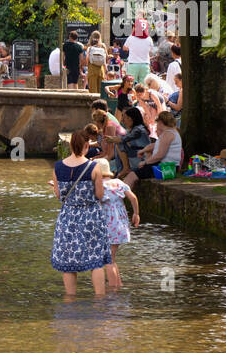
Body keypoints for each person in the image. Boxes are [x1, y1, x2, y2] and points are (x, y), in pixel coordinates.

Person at [50, 128, 110, 296]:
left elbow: (58, 195)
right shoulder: (94, 167)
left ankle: (70, 301)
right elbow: (99, 195)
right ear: (86, 145)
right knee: (96, 261)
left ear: (70, 145)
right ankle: (99, 300)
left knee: (68, 262)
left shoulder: (58, 167)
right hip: (90, 216)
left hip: (67, 218)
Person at [95, 158, 139, 289]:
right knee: (111, 258)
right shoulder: (119, 183)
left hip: (107, 226)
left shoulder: (99, 186)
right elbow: (133, 198)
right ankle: (118, 284)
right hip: (120, 225)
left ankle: (113, 290)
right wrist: (136, 214)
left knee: (108, 259)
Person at [131, 111, 183, 183]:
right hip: (167, 167)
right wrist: (143, 151)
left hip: (165, 168)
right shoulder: (170, 132)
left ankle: (121, 193)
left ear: (160, 122)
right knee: (136, 173)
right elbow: (154, 145)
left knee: (132, 175)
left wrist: (145, 162)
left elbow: (160, 155)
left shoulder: (168, 134)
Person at [115, 107, 152, 181]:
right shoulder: (135, 129)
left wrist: (114, 139)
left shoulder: (138, 129)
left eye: (125, 118)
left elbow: (124, 139)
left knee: (119, 143)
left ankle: (125, 168)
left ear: (131, 119)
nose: (122, 120)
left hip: (141, 159)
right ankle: (121, 169)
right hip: (137, 157)